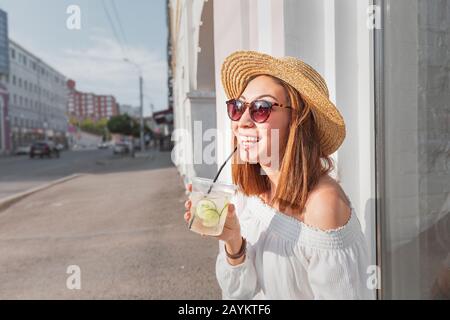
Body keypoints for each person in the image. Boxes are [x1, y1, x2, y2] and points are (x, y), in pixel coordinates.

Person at [184, 51, 373, 299]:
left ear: (297, 120)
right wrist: (233, 241)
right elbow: (239, 294)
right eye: (237, 107)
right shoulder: (249, 193)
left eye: (261, 108)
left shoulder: (323, 207)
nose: (242, 122)